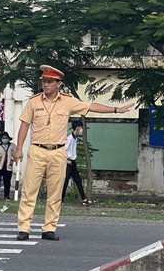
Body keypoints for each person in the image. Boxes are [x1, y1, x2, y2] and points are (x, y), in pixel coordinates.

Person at [15, 65, 135, 241]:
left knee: (55, 193)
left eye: (49, 81)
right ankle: (24, 228)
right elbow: (25, 124)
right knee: (29, 191)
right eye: (44, 81)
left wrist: (116, 110)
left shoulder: (68, 101)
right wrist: (19, 148)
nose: (45, 84)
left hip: (58, 151)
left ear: (58, 84)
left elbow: (91, 106)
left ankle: (49, 228)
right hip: (37, 149)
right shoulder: (34, 102)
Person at [62, 120, 90, 205]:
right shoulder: (70, 138)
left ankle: (84, 199)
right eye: (81, 128)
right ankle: (60, 199)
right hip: (68, 162)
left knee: (78, 180)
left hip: (73, 162)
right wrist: (66, 159)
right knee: (65, 181)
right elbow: (64, 149)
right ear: (77, 128)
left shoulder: (75, 138)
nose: (81, 130)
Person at [0, 132, 16, 200]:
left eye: (6, 138)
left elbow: (16, 154)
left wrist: (13, 159)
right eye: (3, 138)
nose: (5, 139)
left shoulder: (12, 146)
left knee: (7, 181)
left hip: (8, 166)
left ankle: (6, 196)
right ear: (1, 139)